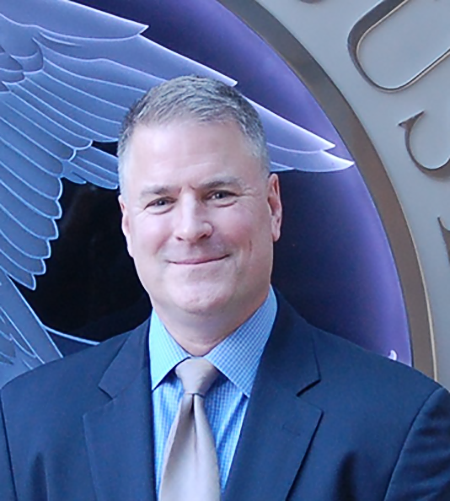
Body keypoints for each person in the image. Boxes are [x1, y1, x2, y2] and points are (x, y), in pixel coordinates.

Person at [1, 76, 450, 501]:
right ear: (127, 224)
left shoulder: (401, 424)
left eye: (219, 194)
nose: (191, 228)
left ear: (273, 207)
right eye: (161, 202)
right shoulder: (26, 423)